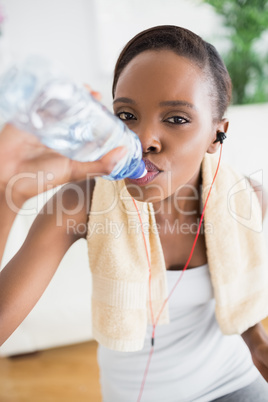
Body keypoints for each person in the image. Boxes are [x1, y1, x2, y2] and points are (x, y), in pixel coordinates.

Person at [0, 25, 268, 401]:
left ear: (216, 134)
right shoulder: (82, 203)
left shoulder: (247, 198)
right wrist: (4, 191)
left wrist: (256, 341)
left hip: (233, 380)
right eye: (126, 115)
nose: (144, 141)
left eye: (176, 118)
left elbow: (235, 285)